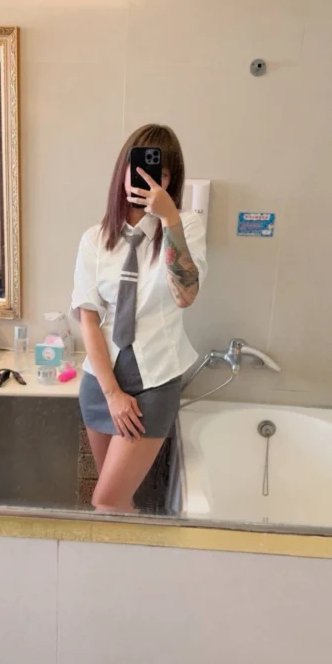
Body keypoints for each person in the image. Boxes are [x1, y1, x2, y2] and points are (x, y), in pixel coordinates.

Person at [71, 124, 207, 512]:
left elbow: (185, 296)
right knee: (116, 501)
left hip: (155, 381)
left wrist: (169, 220)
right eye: (140, 169)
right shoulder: (94, 240)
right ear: (123, 171)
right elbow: (89, 320)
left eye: (159, 174)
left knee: (106, 500)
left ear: (170, 181)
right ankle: (124, 551)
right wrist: (112, 394)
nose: (147, 180)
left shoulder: (185, 226)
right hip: (101, 385)